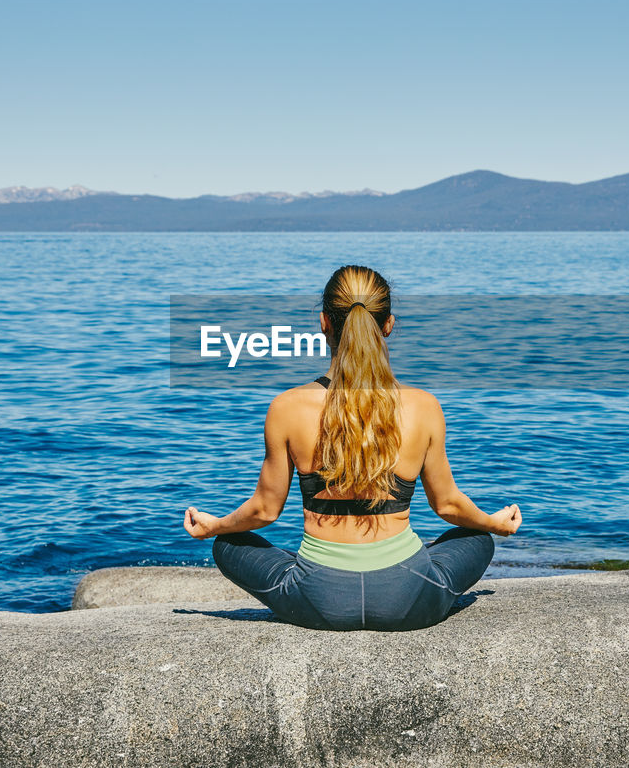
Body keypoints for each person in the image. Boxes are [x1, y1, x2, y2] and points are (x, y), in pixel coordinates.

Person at [183, 264, 522, 631]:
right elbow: (448, 505)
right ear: (388, 324)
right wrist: (494, 524)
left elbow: (264, 512)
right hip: (408, 598)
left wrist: (215, 526)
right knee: (477, 538)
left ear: (324, 323)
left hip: (318, 601)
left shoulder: (287, 407)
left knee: (228, 545)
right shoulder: (424, 406)